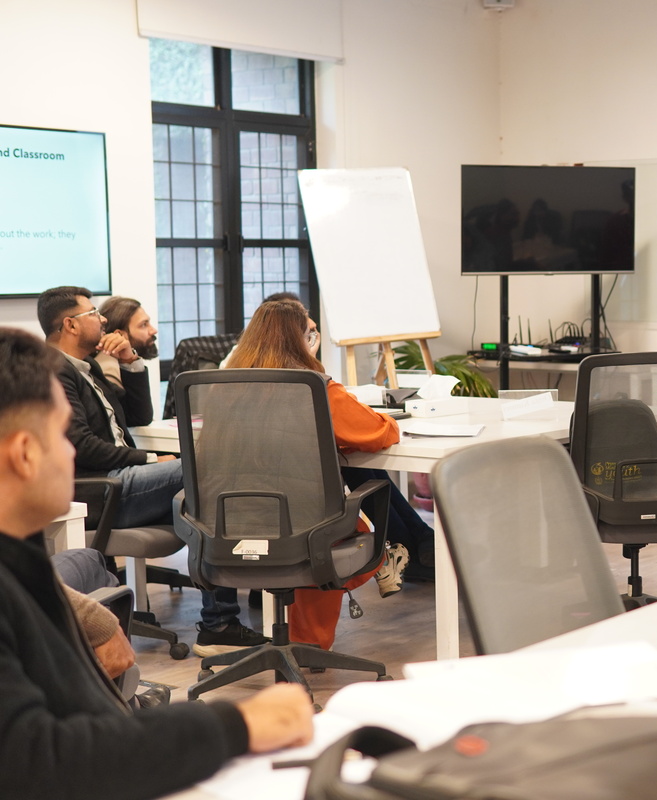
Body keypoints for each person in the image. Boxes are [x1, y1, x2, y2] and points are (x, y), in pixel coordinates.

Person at [0, 326, 313, 800]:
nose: (70, 451)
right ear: (25, 454)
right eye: (61, 434)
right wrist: (238, 724)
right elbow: (39, 764)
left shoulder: (20, 559)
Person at [37, 286, 268, 657]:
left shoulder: (86, 366)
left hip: (119, 480)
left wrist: (130, 362)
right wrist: (148, 460)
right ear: (70, 325)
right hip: (101, 489)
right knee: (208, 467)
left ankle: (220, 623)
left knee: (205, 495)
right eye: (92, 313)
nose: (102, 319)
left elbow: (140, 417)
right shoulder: (53, 370)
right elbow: (81, 446)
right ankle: (220, 621)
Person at [225, 299, 429, 647]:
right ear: (300, 341)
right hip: (306, 527)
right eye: (310, 334)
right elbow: (380, 432)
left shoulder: (224, 388)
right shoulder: (315, 387)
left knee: (305, 521)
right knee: (322, 527)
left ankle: (301, 646)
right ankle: (309, 645)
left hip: (229, 523)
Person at [95, 295, 160, 390]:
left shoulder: (127, 365)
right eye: (143, 325)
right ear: (119, 335)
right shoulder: (108, 374)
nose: (153, 331)